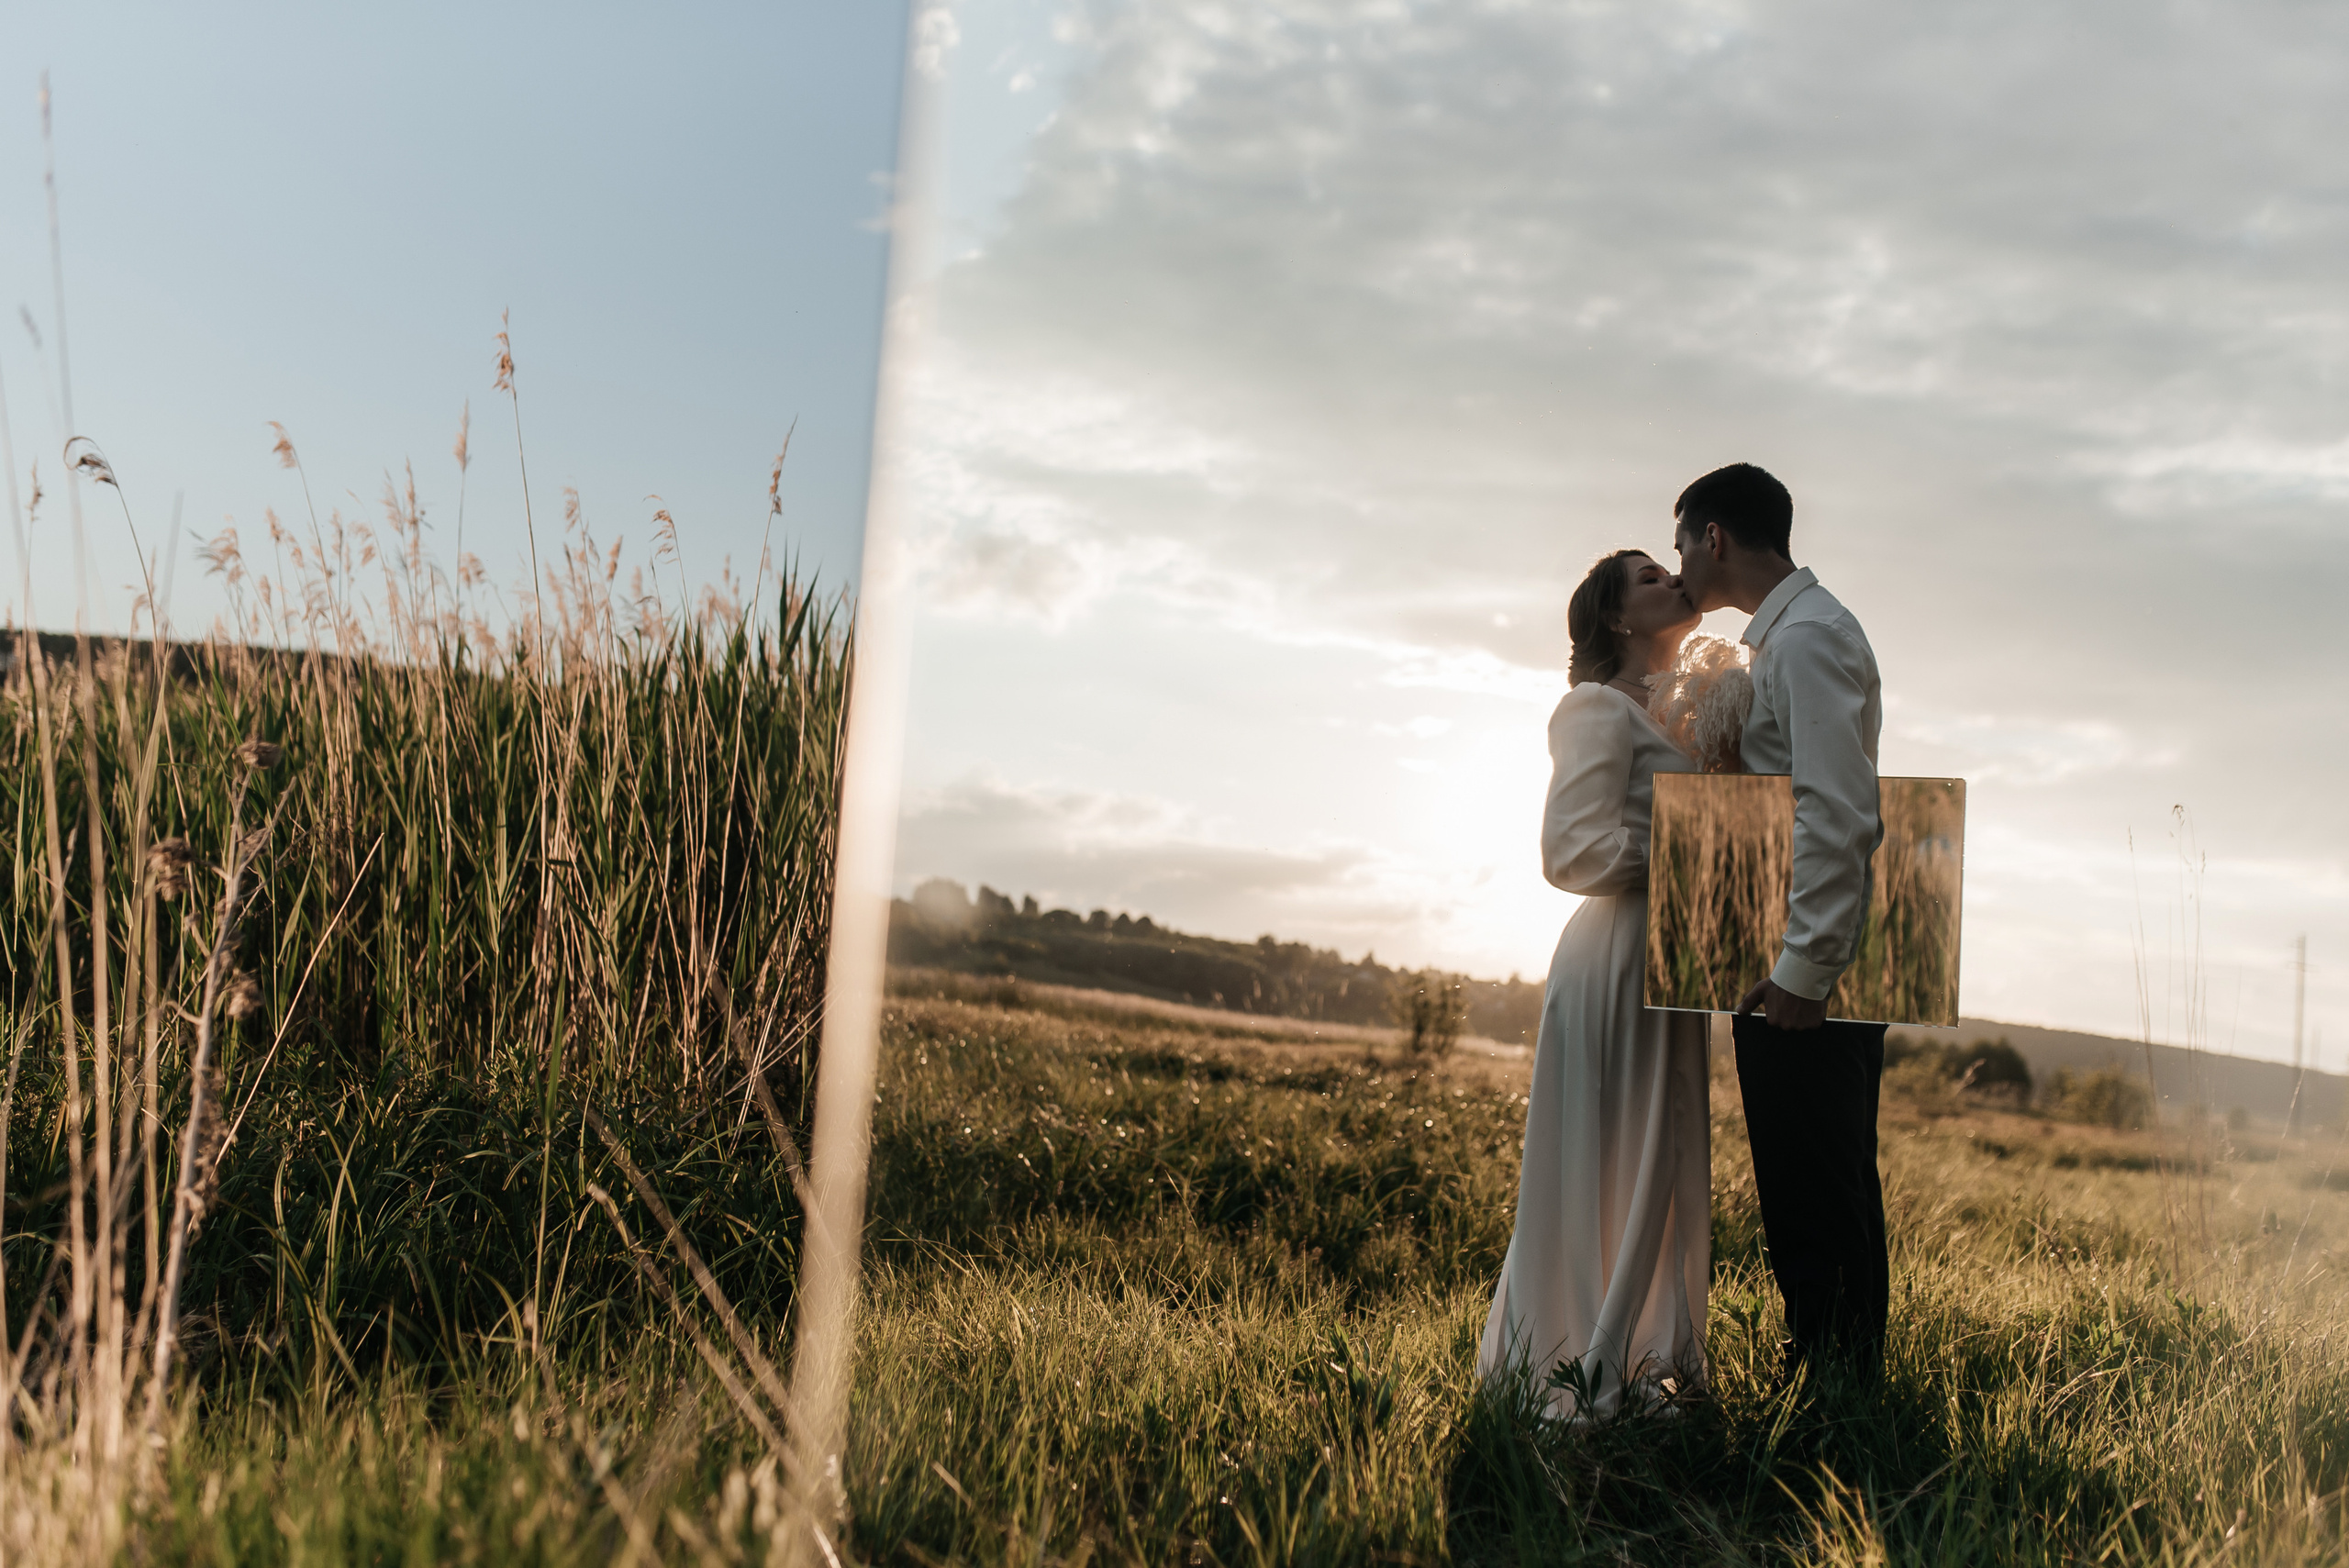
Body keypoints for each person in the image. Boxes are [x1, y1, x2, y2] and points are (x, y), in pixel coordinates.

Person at [1477, 547, 1711, 1420]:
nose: (1671, 582)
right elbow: (1569, 850)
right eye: (1649, 579)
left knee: (1665, 1154)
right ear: (1616, 618)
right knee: (1605, 1150)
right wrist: (1697, 853)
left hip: (1679, 959)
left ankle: (1646, 1363)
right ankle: (1571, 1366)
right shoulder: (1591, 709)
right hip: (1616, 954)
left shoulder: (1689, 713)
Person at [1669, 462, 1887, 1387]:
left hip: (1808, 978)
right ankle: (1826, 1374)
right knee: (1799, 1181)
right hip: (1785, 958)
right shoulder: (1787, 638)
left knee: (1819, 1183)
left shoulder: (1807, 641)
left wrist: (1803, 969)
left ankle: (1838, 1392)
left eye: (1681, 541)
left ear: (1713, 536)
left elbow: (1836, 810)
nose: (1678, 561)